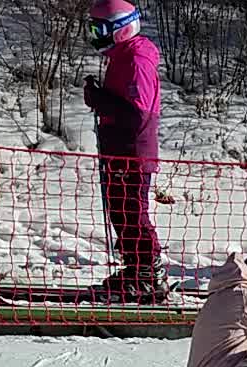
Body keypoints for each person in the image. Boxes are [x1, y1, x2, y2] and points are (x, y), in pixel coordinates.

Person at [82, 0, 169, 302]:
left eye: (99, 30)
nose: (94, 36)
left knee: (133, 212)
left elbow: (136, 114)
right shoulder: (121, 57)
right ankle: (135, 270)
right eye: (92, 29)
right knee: (120, 211)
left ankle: (148, 275)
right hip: (119, 149)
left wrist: (100, 99)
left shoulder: (136, 60)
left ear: (120, 29)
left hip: (132, 151)